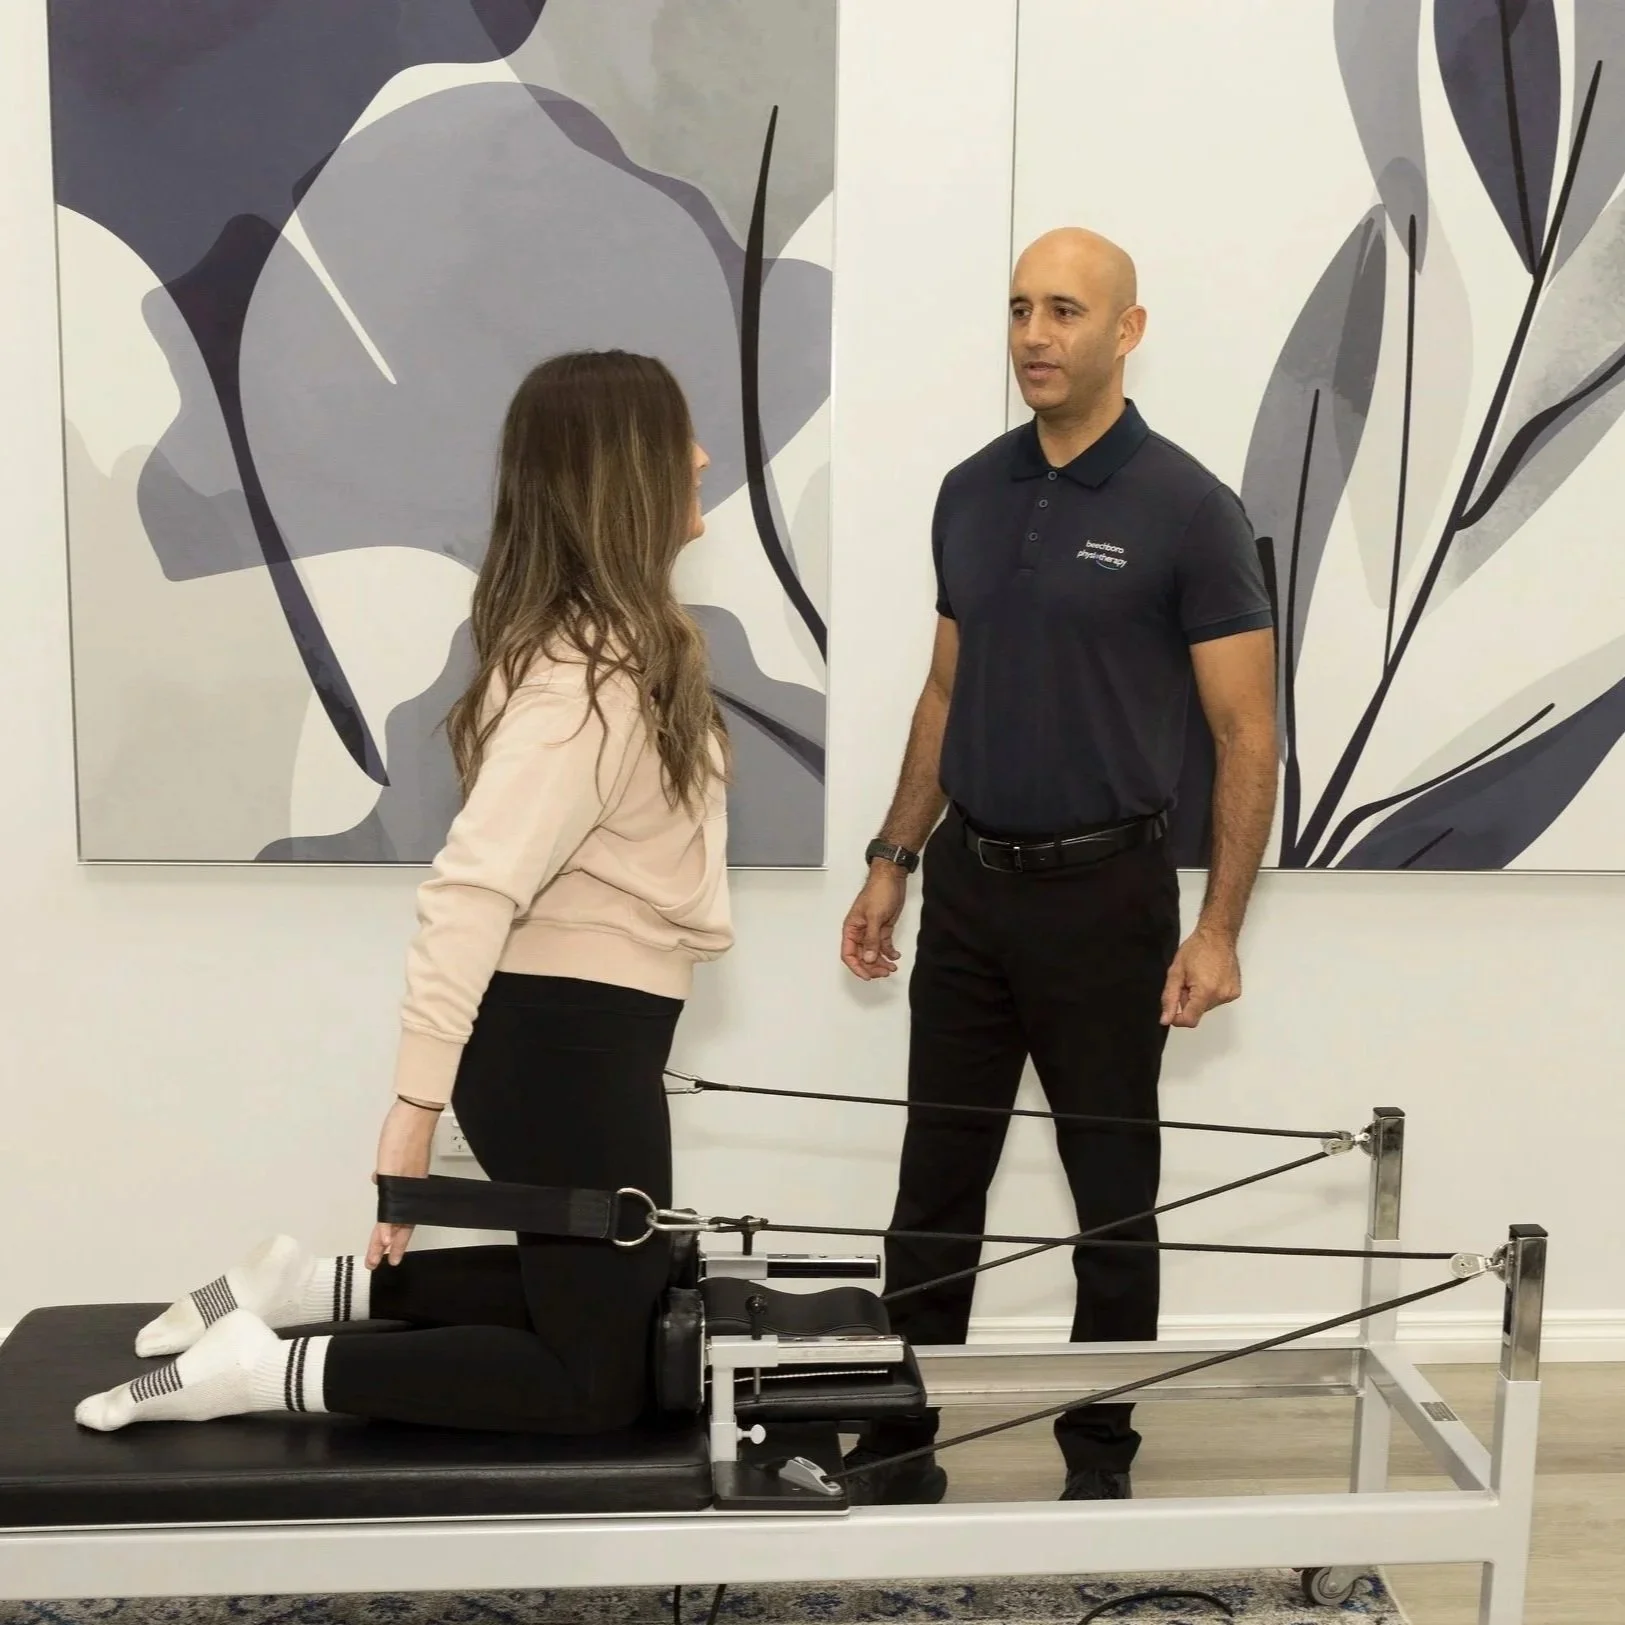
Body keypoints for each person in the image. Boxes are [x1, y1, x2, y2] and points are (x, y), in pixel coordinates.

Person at [76, 350, 733, 1435]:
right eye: (680, 439)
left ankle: (293, 1294)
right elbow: (469, 887)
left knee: (626, 1288)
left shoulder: (618, 651)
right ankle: (264, 1369)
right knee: (594, 1381)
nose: (703, 457)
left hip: (585, 1040)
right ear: (623, 472)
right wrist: (412, 1111)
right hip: (560, 1045)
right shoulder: (590, 683)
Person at [839, 229, 1278, 1503]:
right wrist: (890, 859)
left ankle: (1098, 1462)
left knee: (1109, 1199)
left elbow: (1246, 732)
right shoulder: (968, 490)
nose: (1036, 334)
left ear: (1126, 332)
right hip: (969, 888)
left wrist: (1220, 927)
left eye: (1066, 312)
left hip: (1107, 900)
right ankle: (899, 1441)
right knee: (934, 1184)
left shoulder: (1191, 509)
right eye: (1021, 309)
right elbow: (941, 687)